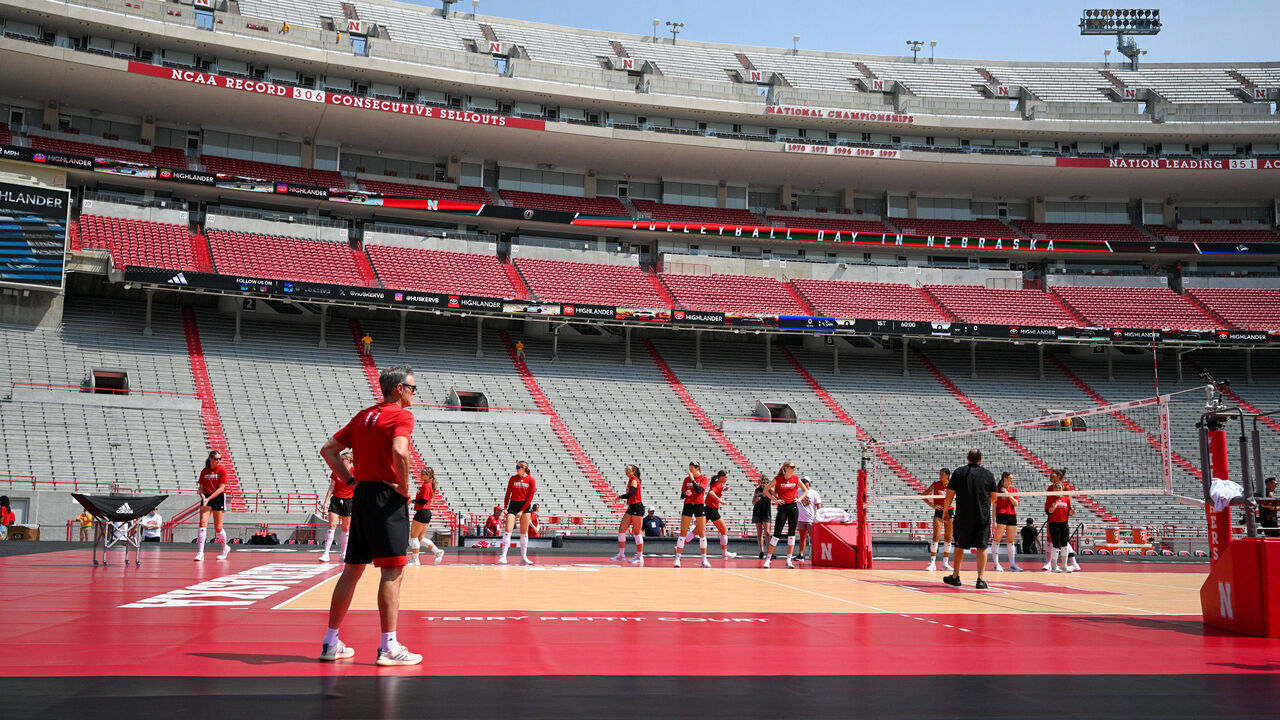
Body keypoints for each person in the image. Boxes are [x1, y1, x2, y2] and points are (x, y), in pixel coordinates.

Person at [318, 364, 422, 666]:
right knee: (392, 571)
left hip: (361, 495)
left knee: (352, 570)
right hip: (386, 498)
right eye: (413, 388)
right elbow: (400, 451)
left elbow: (329, 450)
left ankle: (330, 642)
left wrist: (351, 482)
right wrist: (403, 487)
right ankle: (389, 647)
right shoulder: (402, 414)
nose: (415, 393)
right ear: (399, 389)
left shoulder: (365, 415)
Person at [941, 449, 999, 589]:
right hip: (982, 516)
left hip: (963, 516)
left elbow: (950, 493)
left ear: (968, 458)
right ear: (981, 459)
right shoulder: (989, 474)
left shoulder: (959, 472)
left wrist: (945, 510)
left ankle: (955, 577)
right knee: (982, 546)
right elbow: (994, 497)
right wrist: (983, 506)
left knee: (960, 545)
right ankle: (980, 579)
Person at [762, 461, 807, 569]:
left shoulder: (796, 478)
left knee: (791, 534)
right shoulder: (778, 479)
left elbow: (805, 490)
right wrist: (774, 499)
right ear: (786, 468)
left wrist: (799, 499)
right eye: (791, 467)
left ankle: (789, 559)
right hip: (782, 508)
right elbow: (765, 489)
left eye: (794, 467)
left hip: (793, 507)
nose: (794, 468)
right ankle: (768, 559)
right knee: (777, 534)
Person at [690, 470, 737, 559]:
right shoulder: (718, 484)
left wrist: (724, 489)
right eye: (726, 477)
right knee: (724, 531)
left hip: (708, 508)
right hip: (712, 510)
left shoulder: (717, 484)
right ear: (721, 477)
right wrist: (721, 501)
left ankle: (679, 546)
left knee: (696, 530)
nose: (727, 479)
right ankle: (724, 553)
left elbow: (715, 490)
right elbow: (711, 492)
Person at [319, 449, 355, 563]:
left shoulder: (355, 472)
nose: (340, 461)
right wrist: (325, 502)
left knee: (346, 528)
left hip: (349, 501)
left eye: (342, 459)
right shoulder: (337, 471)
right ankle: (326, 553)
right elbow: (332, 487)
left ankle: (343, 554)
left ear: (348, 460)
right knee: (332, 525)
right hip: (336, 500)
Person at [498, 460, 537, 565]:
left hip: (525, 506)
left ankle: (523, 557)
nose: (516, 469)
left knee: (524, 532)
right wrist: (506, 507)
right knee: (508, 529)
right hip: (513, 505)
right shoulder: (513, 478)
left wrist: (522, 510)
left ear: (524, 468)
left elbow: (530, 497)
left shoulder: (531, 480)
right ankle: (503, 556)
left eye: (518, 467)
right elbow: (508, 494)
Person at [1043, 469, 1082, 572]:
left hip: (1063, 517)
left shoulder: (1066, 488)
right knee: (1051, 539)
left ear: (1059, 477)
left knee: (1063, 542)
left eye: (1053, 475)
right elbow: (1049, 504)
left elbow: (1068, 502)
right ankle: (1050, 563)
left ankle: (1073, 562)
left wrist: (1070, 512)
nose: (1050, 477)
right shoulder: (1050, 488)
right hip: (1053, 515)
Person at [673, 461, 710, 568]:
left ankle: (704, 559)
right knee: (683, 532)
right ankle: (677, 558)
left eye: (692, 469)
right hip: (688, 505)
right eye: (689, 469)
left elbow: (699, 490)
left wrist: (693, 480)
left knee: (702, 532)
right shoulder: (686, 479)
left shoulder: (703, 479)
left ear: (697, 469)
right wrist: (685, 494)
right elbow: (681, 495)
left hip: (699, 505)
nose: (690, 471)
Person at [195, 450, 230, 561]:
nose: (218, 461)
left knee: (218, 527)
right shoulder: (204, 471)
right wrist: (204, 498)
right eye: (216, 459)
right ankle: (200, 552)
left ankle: (225, 547)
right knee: (202, 523)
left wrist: (209, 498)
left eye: (220, 459)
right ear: (211, 458)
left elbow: (221, 488)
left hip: (218, 497)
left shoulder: (222, 470)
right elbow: (200, 488)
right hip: (207, 497)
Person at [409, 467, 445, 565]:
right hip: (426, 512)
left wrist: (412, 501)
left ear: (428, 475)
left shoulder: (426, 486)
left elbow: (424, 501)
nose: (421, 475)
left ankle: (415, 560)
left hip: (422, 511)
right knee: (421, 538)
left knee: (414, 536)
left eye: (423, 474)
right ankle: (437, 552)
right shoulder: (428, 485)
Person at [612, 464, 646, 563]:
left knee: (637, 532)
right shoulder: (631, 480)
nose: (627, 471)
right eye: (626, 469)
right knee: (622, 529)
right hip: (631, 507)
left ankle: (640, 556)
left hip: (637, 507)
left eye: (628, 470)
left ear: (633, 471)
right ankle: (621, 555)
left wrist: (620, 496)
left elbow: (630, 494)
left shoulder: (634, 480)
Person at [991, 472, 1023, 571]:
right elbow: (994, 506)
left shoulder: (1014, 490)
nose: (1012, 480)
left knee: (1011, 540)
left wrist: (1008, 494)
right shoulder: (997, 490)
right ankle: (996, 564)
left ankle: (1012, 564)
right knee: (997, 539)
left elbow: (1016, 503)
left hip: (1012, 516)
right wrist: (994, 521)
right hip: (1001, 516)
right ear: (1005, 479)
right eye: (1010, 478)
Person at [923, 468, 954, 572]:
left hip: (949, 511)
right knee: (936, 535)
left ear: (948, 475)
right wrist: (932, 505)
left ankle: (945, 563)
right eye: (940, 474)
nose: (940, 476)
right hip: (939, 511)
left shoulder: (952, 485)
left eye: (942, 474)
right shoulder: (936, 484)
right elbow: (924, 495)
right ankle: (932, 563)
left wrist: (955, 505)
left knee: (948, 537)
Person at [795, 476, 822, 562]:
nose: (804, 483)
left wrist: (818, 517)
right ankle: (801, 554)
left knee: (813, 538)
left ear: (809, 483)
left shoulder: (814, 493)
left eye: (805, 481)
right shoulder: (798, 492)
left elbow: (818, 505)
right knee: (802, 538)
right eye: (802, 481)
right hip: (801, 518)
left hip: (811, 518)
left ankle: (816, 554)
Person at [752, 476, 771, 559]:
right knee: (759, 532)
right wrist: (756, 499)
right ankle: (762, 551)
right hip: (757, 511)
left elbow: (775, 495)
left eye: (759, 480)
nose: (758, 482)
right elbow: (753, 502)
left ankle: (769, 551)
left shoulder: (769, 489)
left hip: (766, 512)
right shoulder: (757, 490)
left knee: (767, 532)